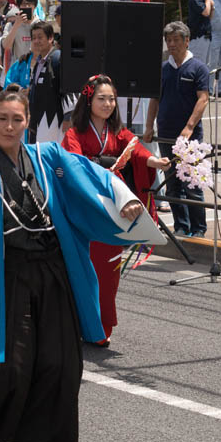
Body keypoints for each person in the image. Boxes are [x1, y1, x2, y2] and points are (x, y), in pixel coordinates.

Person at [0, 87, 151, 442]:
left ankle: (17, 441)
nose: (10, 126)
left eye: (17, 119)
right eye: (2, 119)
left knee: (60, 358)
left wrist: (122, 196)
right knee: (10, 360)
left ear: (28, 121)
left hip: (52, 268)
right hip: (7, 274)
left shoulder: (48, 158)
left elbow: (90, 174)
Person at [63, 75, 169, 344]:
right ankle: (79, 322)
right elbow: (74, 165)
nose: (108, 103)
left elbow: (137, 151)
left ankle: (101, 325)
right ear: (89, 100)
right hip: (88, 204)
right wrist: (99, 169)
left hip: (114, 205)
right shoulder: (74, 133)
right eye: (102, 98)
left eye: (111, 98)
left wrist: (155, 161)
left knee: (109, 268)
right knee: (83, 267)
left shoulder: (118, 132)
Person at [144, 22, 210, 238]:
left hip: (189, 137)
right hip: (165, 133)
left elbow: (203, 99)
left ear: (186, 40)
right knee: (172, 184)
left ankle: (199, 228)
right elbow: (154, 99)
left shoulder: (198, 68)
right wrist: (148, 126)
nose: (171, 44)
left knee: (192, 183)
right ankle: (181, 226)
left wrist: (189, 126)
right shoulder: (162, 69)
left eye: (176, 40)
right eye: (168, 40)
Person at [4, 21, 67, 145]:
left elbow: (68, 89)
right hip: (36, 117)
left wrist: (68, 117)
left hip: (52, 118)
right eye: (34, 38)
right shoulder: (39, 61)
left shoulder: (58, 59)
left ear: (50, 38)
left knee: (48, 154)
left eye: (40, 37)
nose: (36, 41)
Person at [186, 0, 215, 72]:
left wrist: (212, 7)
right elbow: (205, 13)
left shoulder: (204, 0)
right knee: (197, 63)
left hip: (206, 36)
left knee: (205, 65)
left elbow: (210, 16)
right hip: (197, 37)